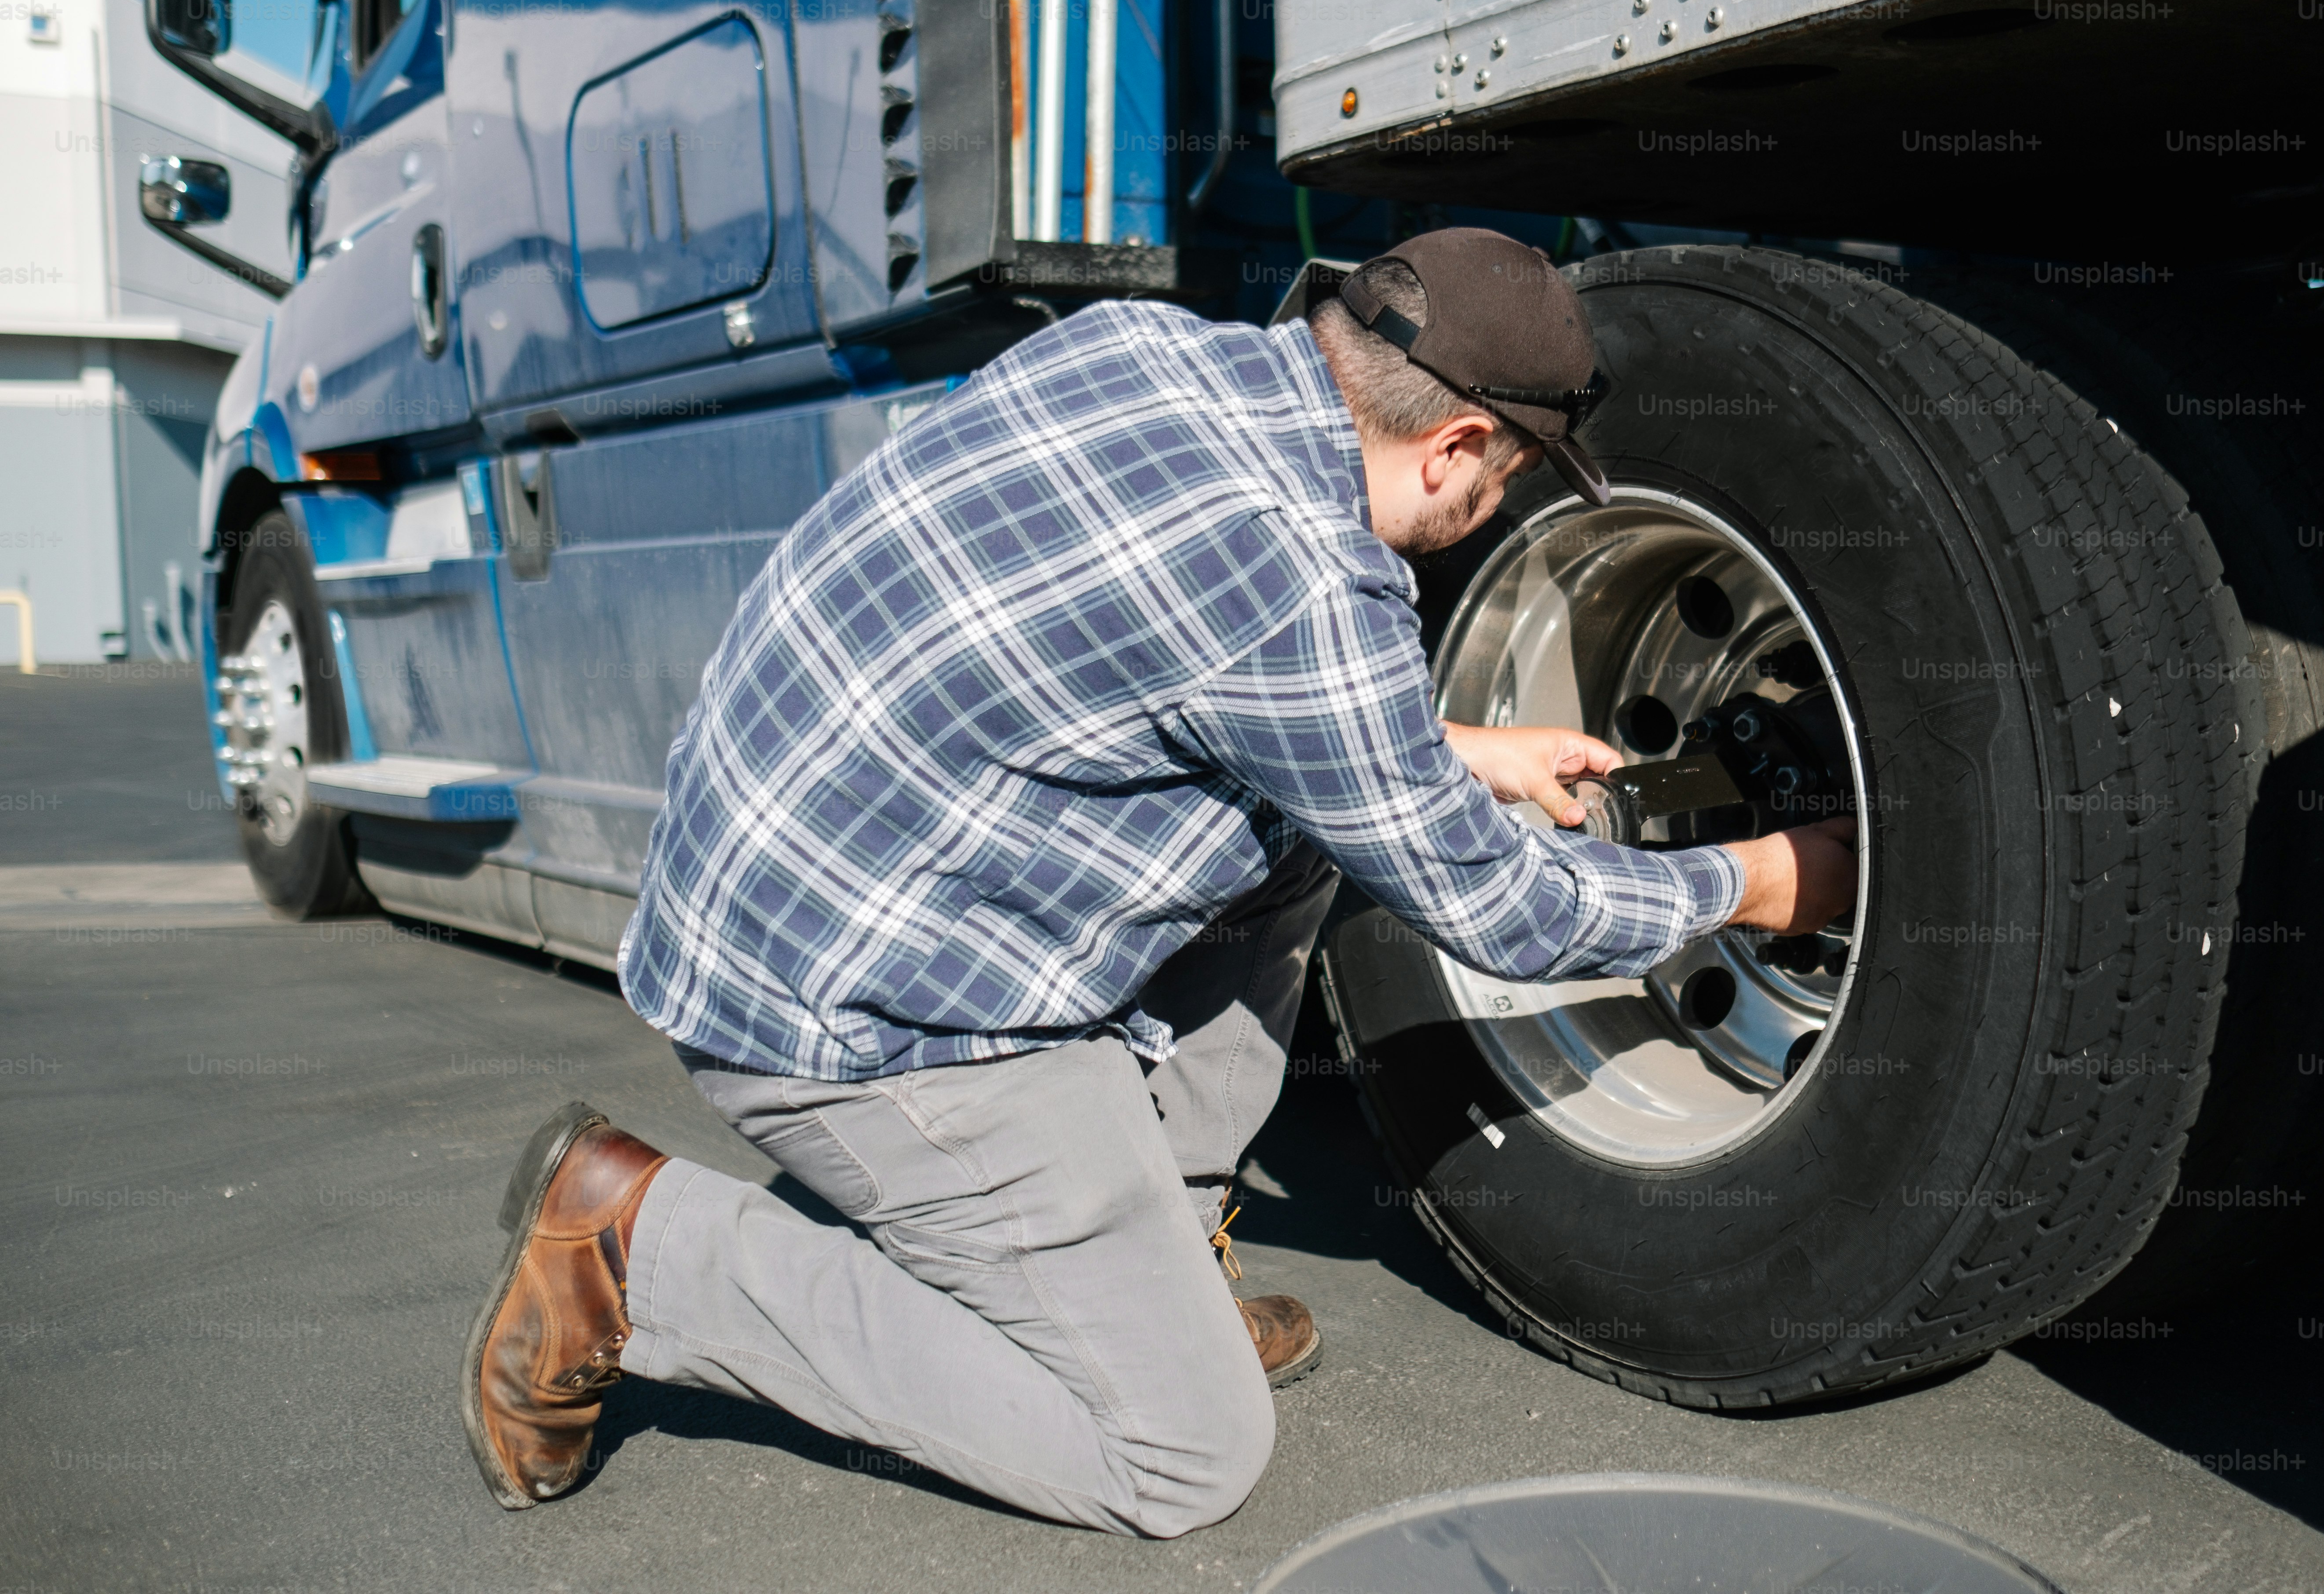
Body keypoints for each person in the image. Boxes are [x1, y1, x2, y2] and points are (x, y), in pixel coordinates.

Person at [459, 228, 1860, 1535]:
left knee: (1316, 822)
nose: (1494, 510)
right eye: (1507, 483)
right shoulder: (1310, 587)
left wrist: (1463, 753)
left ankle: (1158, 1266)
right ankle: (644, 1258)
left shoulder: (1143, 347)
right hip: (847, 1025)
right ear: (1458, 447)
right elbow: (1502, 910)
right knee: (1186, 1452)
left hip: (786, 887)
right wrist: (1756, 880)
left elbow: (1151, 661)